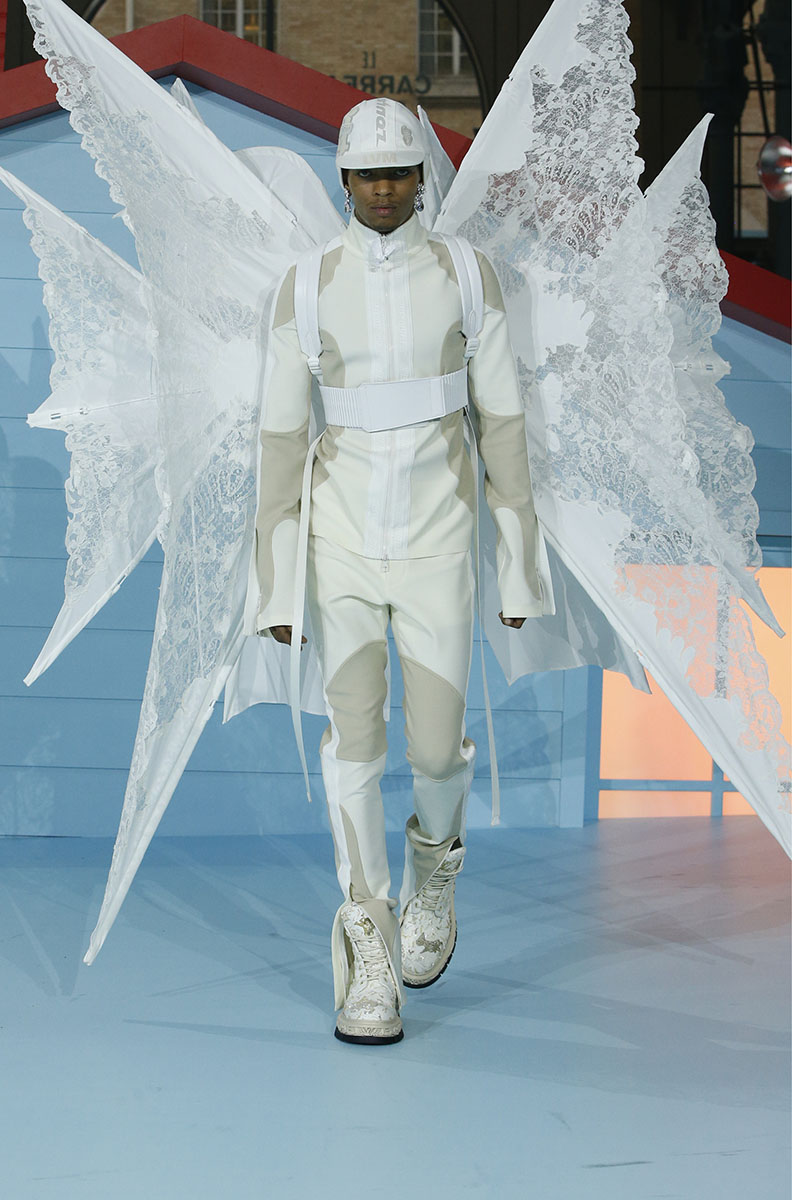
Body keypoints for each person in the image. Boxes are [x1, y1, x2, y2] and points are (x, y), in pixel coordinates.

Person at [251, 98, 551, 1044]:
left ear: (422, 176)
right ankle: (367, 938)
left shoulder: (467, 276)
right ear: (344, 178)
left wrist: (519, 570)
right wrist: (274, 585)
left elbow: (504, 424)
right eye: (367, 173)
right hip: (338, 547)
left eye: (398, 172)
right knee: (352, 747)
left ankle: (434, 870)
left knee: (434, 753)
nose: (382, 188)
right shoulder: (305, 287)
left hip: (439, 545)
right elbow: (279, 440)